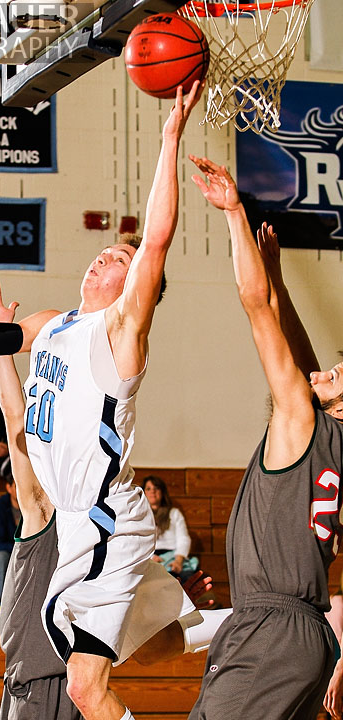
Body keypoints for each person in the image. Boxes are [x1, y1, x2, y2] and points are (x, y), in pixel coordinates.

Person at [0, 82, 209, 720]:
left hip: (105, 516)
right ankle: (275, 625)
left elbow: (159, 238)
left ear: (133, 285)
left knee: (85, 687)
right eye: (104, 251)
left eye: (117, 257)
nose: (101, 258)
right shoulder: (50, 323)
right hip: (77, 523)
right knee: (159, 644)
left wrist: (169, 137)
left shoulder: (119, 332)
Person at [188, 155, 343, 720]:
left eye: (335, 376)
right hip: (298, 633)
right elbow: (297, 348)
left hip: (271, 628)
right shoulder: (328, 432)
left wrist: (234, 214)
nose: (323, 371)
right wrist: (276, 275)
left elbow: (255, 309)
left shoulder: (303, 417)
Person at [0, 350, 229, 720]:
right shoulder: (44, 516)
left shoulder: (107, 529)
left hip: (83, 692)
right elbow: (15, 423)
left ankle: (260, 622)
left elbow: (147, 649)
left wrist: (164, 606)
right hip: (38, 690)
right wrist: (2, 344)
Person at [142, 475, 197, 582]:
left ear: (162, 492)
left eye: (156, 488)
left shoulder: (174, 513)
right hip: (148, 558)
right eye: (148, 489)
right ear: (144, 492)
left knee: (187, 579)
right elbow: (137, 541)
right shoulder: (140, 515)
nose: (152, 491)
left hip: (173, 557)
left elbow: (183, 538)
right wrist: (151, 558)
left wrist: (178, 560)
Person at [0, 471, 21, 602]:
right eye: (17, 485)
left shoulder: (33, 506)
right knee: (1, 557)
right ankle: (1, 605)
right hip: (4, 553)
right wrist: (18, 548)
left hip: (27, 553)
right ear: (8, 487)